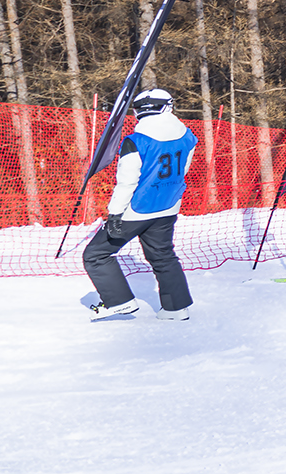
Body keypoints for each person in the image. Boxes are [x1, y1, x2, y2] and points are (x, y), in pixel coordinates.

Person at [79, 88, 200, 320]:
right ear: (168, 106)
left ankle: (119, 302)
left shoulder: (135, 141)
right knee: (163, 255)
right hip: (168, 205)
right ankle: (176, 309)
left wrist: (114, 214)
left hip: (136, 209)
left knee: (96, 254)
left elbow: (127, 183)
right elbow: (182, 171)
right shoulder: (188, 137)